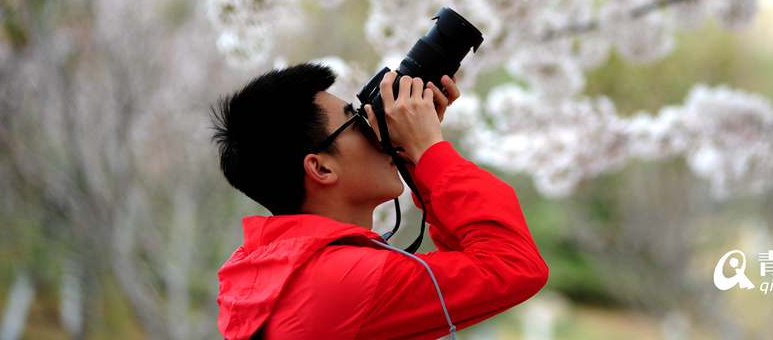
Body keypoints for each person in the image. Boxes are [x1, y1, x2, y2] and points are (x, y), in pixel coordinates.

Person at [211, 62, 549, 339]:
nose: (377, 129)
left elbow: (465, 272)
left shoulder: (283, 275)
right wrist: (429, 149)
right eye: (356, 121)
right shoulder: (342, 282)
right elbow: (514, 266)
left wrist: (415, 156)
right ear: (321, 167)